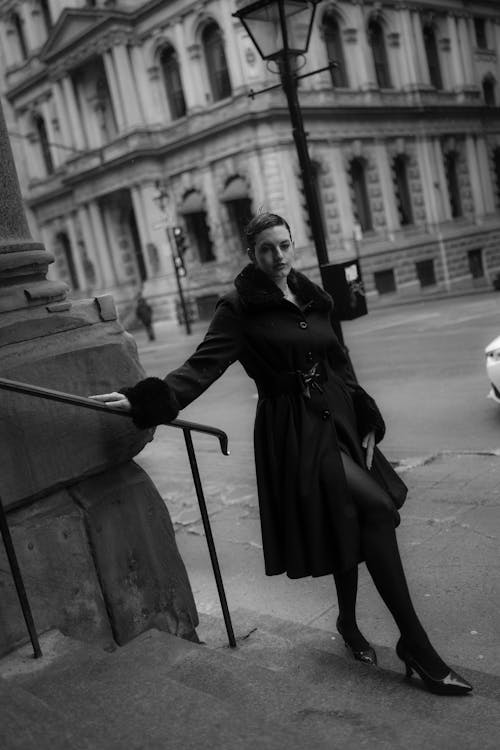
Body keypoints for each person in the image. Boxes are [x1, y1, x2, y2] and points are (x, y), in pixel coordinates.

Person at [91, 212, 472, 696]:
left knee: (348, 516)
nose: (279, 256)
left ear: (295, 244)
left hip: (338, 416)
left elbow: (337, 358)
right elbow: (202, 366)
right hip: (293, 429)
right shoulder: (238, 308)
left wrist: (365, 412)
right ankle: (416, 645)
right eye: (267, 248)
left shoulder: (312, 296)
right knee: (375, 510)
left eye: (285, 244)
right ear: (252, 253)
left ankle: (349, 622)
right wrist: (146, 400)